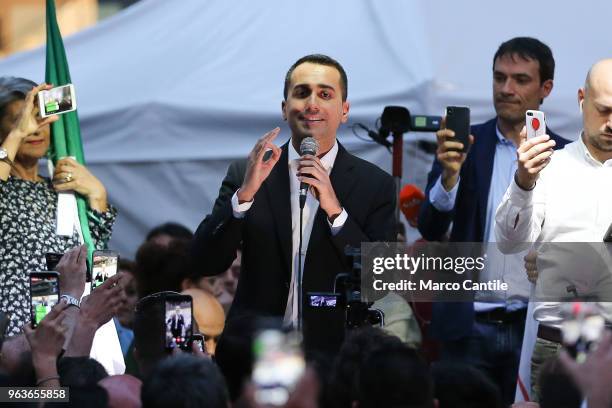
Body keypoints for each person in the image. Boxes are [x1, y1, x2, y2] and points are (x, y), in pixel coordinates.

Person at [192, 54, 395, 344]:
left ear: (345, 110)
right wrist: (244, 197)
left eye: (325, 94)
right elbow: (204, 261)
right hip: (256, 348)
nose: (312, 103)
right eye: (301, 93)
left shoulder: (375, 184)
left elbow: (382, 282)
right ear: (285, 109)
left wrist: (336, 213)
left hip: (335, 351)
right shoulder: (248, 172)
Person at [417, 37, 570, 403]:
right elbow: (429, 227)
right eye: (499, 78)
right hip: (468, 324)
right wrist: (449, 179)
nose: (506, 89)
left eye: (520, 79)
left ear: (545, 88)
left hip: (534, 327)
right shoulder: (467, 143)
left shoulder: (565, 156)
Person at [495, 58, 612, 401]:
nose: (611, 123)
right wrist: (523, 182)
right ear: (582, 100)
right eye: (604, 110)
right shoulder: (549, 167)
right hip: (561, 339)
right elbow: (507, 242)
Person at [0, 77, 116, 336]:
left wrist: (98, 198)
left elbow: (99, 268)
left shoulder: (63, 190)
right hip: (16, 338)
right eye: (21, 119)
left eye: (42, 118)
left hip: (72, 335)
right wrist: (18, 133)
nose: (35, 128)